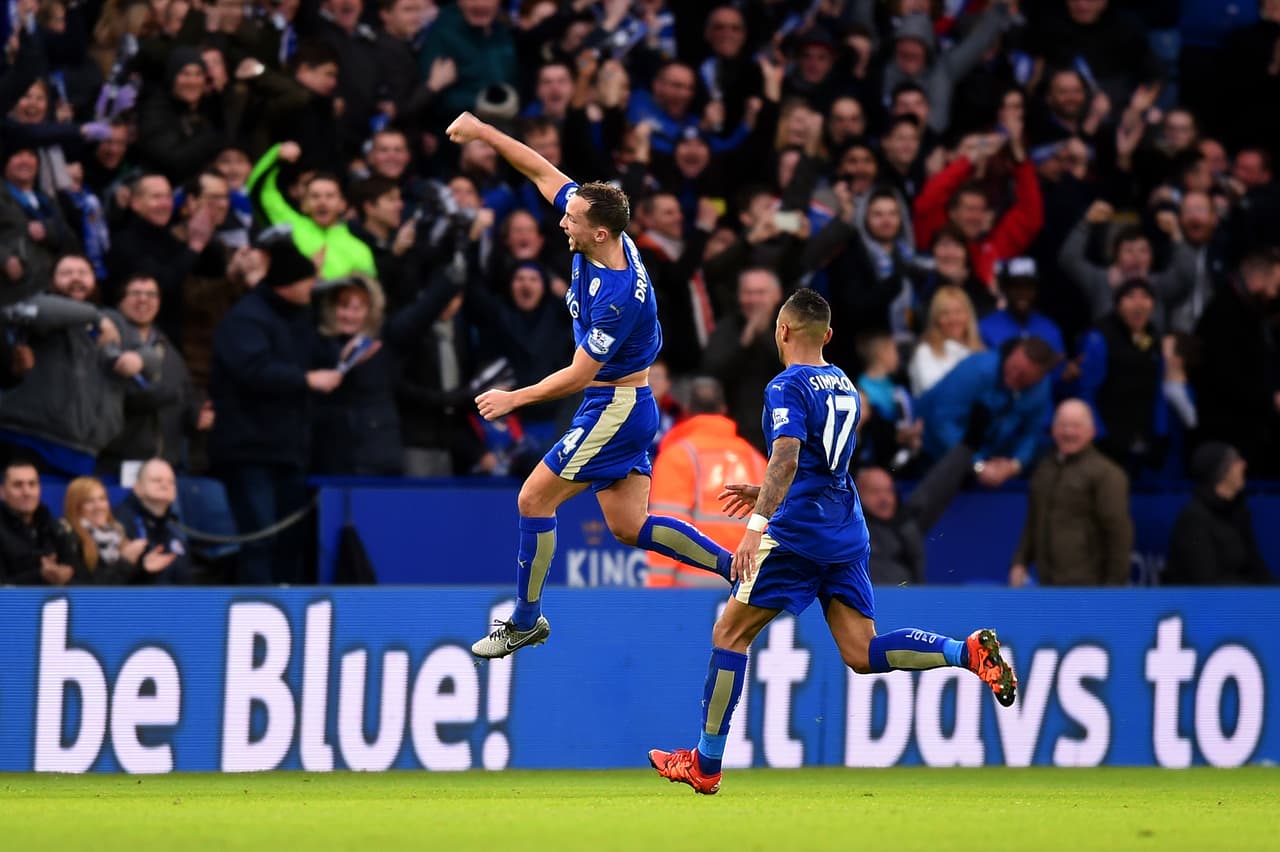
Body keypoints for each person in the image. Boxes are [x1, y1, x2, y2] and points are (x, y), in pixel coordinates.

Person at [647, 290, 1017, 796]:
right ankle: (964, 651)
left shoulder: (785, 385)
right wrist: (768, 489)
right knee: (862, 652)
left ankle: (705, 765)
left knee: (729, 635)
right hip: (845, 528)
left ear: (782, 331)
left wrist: (756, 526)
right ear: (828, 335)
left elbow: (786, 457)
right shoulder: (844, 383)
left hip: (799, 534)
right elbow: (823, 464)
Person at [445, 110, 743, 659]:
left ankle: (526, 620)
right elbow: (541, 170)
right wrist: (484, 131)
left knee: (533, 498)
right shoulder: (602, 234)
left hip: (615, 406)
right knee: (629, 527)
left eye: (572, 219)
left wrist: (515, 398)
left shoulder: (617, 296)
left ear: (599, 232)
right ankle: (739, 569)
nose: (562, 222)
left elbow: (580, 375)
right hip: (627, 403)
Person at [208, 231, 341, 585]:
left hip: (289, 449)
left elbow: (318, 354)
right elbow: (253, 370)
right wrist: (306, 379)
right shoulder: (246, 318)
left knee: (289, 539)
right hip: (250, 451)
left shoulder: (300, 315)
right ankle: (256, 600)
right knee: (260, 537)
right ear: (289, 284)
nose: (314, 287)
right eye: (309, 280)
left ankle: (288, 602)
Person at [646, 377, 766, 588]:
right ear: (724, 410)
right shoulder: (756, 460)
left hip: (692, 590)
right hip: (748, 589)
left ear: (687, 410)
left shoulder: (677, 457)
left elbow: (667, 530)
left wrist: (658, 592)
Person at [1009, 400, 1133, 587]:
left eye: (1076, 426)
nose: (1068, 432)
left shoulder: (1107, 474)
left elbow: (1119, 534)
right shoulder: (1044, 470)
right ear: (1053, 430)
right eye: (1063, 425)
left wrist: (1114, 587)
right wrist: (1020, 562)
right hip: (1048, 583)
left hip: (1089, 586)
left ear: (1092, 431)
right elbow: (1034, 522)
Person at [916, 336, 1059, 487]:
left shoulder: (1040, 389)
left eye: (1023, 376)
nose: (1014, 375)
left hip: (987, 456)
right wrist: (977, 465)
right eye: (1013, 366)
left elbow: (1030, 434)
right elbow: (943, 422)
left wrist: (1015, 465)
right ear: (1012, 353)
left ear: (1039, 377)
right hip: (932, 450)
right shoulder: (978, 369)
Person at [1164, 442, 1275, 586]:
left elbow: (1258, 569)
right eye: (1236, 460)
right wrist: (1252, 593)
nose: (1243, 464)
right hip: (1208, 599)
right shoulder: (1194, 518)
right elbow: (1206, 581)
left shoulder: (1239, 513)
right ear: (1220, 471)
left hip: (1243, 595)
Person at [59, 475, 178, 584]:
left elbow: (126, 586)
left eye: (102, 499)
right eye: (89, 501)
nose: (99, 506)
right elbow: (89, 592)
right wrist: (125, 562)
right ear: (75, 506)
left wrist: (145, 569)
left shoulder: (117, 533)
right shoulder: (68, 539)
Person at [113, 458, 195, 584]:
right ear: (138, 488)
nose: (165, 485)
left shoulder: (176, 534)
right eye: (157, 480)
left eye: (171, 482)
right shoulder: (118, 523)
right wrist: (142, 570)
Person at [0, 457, 77, 586]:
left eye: (32, 484)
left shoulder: (54, 526)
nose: (27, 492)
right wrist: (41, 576)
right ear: (2, 492)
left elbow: (76, 571)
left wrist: (66, 573)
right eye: (18, 485)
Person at [907, 284, 984, 397]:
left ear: (968, 315)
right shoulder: (925, 352)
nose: (953, 319)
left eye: (958, 312)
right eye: (945, 313)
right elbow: (935, 395)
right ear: (936, 318)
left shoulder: (979, 350)